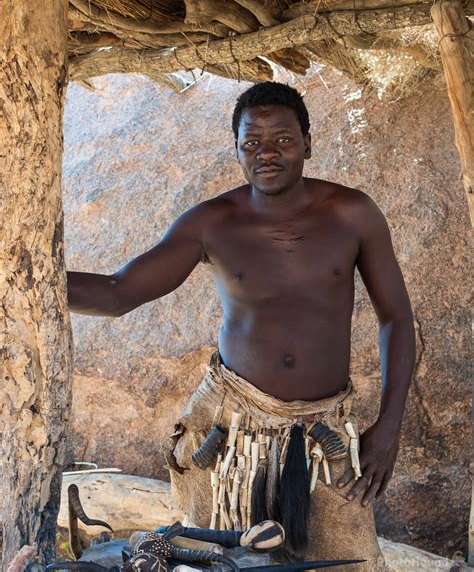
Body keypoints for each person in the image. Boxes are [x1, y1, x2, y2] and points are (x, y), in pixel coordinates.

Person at [67, 82, 415, 571]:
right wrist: (27, 279)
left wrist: (390, 426)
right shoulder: (212, 223)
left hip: (323, 431)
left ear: (308, 143)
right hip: (228, 432)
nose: (266, 154)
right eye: (251, 143)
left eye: (283, 141)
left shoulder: (353, 213)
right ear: (236, 149)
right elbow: (118, 293)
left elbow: (397, 318)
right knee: (215, 561)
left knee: (347, 562)